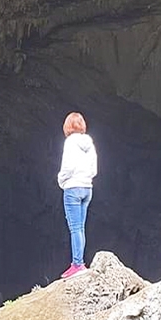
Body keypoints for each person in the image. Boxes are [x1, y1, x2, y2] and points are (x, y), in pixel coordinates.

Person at [57, 111, 97, 279]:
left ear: (68, 126)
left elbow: (68, 166)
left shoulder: (70, 142)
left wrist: (61, 180)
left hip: (72, 188)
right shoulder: (90, 143)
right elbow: (95, 169)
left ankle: (77, 264)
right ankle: (79, 263)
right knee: (80, 227)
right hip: (87, 188)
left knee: (74, 228)